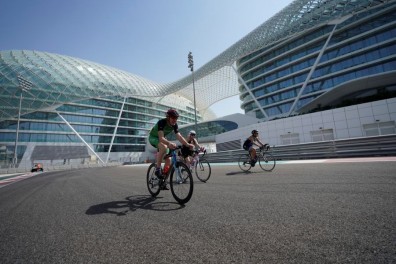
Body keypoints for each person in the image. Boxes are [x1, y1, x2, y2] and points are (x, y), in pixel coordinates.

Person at [148, 109, 194, 189]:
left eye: (176, 118)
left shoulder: (175, 124)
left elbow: (179, 136)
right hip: (153, 138)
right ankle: (157, 169)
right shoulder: (162, 122)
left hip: (162, 139)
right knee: (164, 147)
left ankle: (163, 180)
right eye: (173, 118)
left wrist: (187, 144)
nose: (174, 120)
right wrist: (169, 143)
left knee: (168, 160)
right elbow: (161, 138)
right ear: (168, 117)